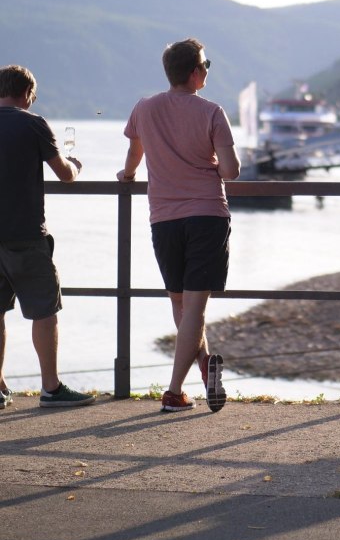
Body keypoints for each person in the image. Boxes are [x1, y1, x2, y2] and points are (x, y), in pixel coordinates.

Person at [117, 38, 240, 413]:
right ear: (194, 72)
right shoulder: (212, 112)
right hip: (206, 215)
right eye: (206, 64)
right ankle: (173, 392)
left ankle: (204, 367)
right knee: (196, 309)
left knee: (181, 304)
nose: (207, 70)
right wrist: (215, 161)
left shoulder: (144, 107)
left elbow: (135, 152)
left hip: (164, 219)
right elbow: (231, 172)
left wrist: (129, 173)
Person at [0, 65, 96, 408]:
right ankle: (51, 388)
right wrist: (77, 164)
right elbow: (65, 174)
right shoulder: (33, 123)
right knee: (43, 311)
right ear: (27, 93)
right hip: (25, 235)